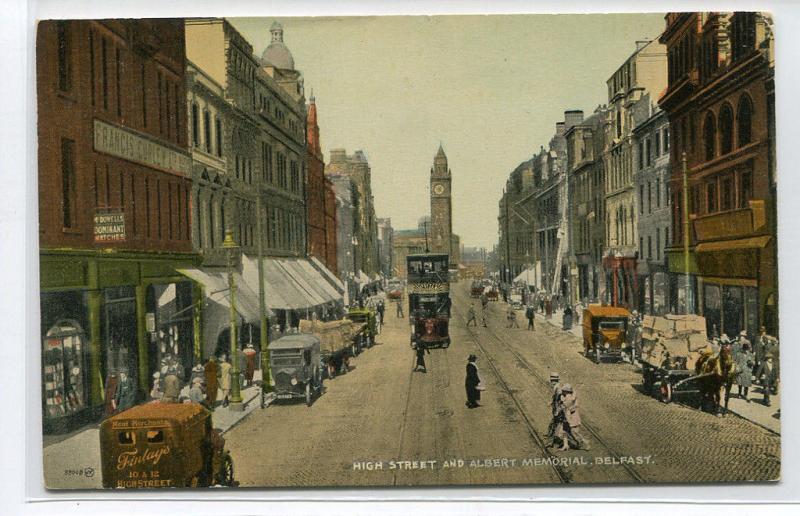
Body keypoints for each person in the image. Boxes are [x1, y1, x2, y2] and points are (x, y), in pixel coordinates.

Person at [557, 384, 590, 451]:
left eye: (563, 391)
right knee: (564, 431)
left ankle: (585, 443)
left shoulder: (568, 397)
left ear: (566, 391)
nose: (562, 392)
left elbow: (566, 406)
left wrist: (561, 406)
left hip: (571, 417)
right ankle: (566, 445)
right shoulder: (570, 396)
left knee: (574, 432)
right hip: (567, 417)